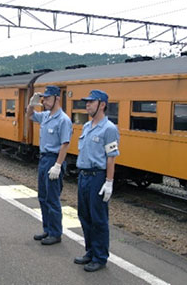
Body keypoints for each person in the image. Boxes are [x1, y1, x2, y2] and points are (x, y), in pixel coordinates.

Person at [74, 89, 120, 272]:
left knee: (98, 218)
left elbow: (111, 157)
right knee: (84, 215)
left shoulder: (109, 129)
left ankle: (100, 257)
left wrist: (109, 182)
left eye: (91, 102)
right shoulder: (87, 126)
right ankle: (90, 251)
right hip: (84, 176)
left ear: (102, 104)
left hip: (97, 177)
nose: (87, 105)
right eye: (86, 102)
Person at [27, 85, 73, 245]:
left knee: (52, 199)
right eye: (43, 98)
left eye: (47, 98)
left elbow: (65, 144)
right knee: (43, 197)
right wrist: (31, 104)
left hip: (54, 160)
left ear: (57, 99)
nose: (44, 101)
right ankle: (47, 229)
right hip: (44, 159)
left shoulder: (63, 120)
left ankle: (55, 233)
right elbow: (30, 116)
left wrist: (58, 165)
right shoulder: (46, 116)